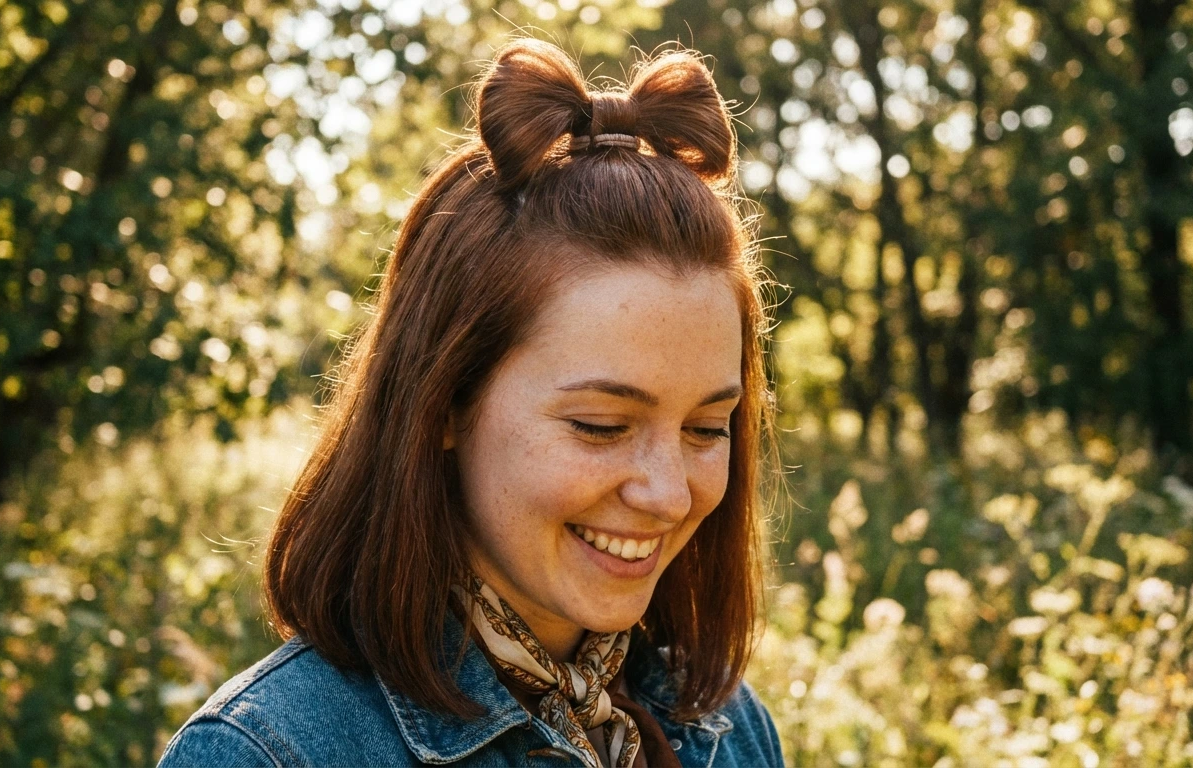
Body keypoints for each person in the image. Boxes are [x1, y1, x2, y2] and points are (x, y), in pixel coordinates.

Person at [157, 37, 782, 768]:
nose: (669, 494)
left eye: (706, 428)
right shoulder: (267, 753)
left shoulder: (730, 729)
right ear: (446, 402)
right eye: (602, 426)